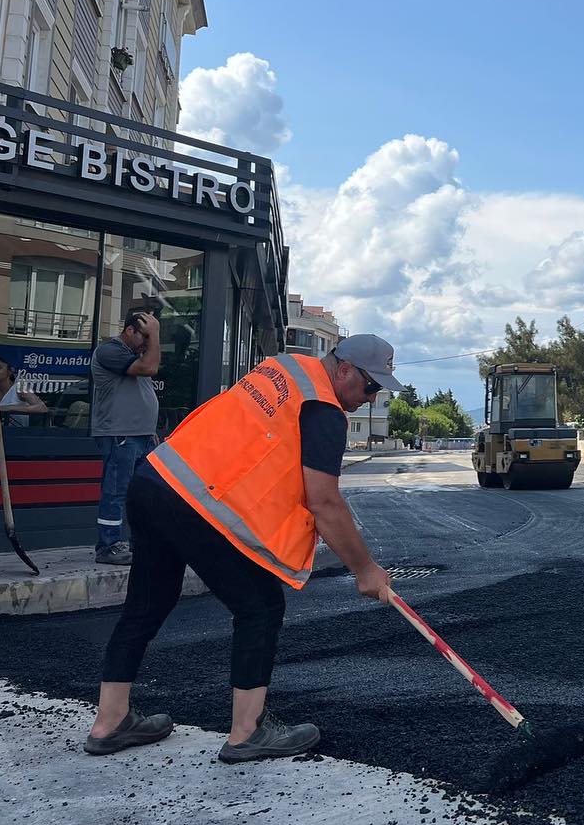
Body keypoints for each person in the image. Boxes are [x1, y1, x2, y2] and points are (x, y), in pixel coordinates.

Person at [84, 334, 402, 762]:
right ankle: (247, 732)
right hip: (196, 501)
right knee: (261, 608)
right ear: (344, 370)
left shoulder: (284, 370)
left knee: (148, 603)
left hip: (155, 480)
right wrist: (366, 569)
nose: (370, 398)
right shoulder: (323, 409)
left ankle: (110, 722)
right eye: (370, 387)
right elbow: (324, 502)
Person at [90, 309, 162, 565]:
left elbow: (138, 395)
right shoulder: (110, 351)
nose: (147, 343)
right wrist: (156, 333)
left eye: (149, 339)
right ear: (129, 330)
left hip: (141, 435)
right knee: (116, 491)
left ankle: (136, 542)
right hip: (120, 434)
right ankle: (107, 546)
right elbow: (150, 367)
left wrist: (149, 429)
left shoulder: (133, 355)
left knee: (142, 493)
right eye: (144, 337)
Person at [0, 357, 49, 427]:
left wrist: (9, 408)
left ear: (10, 371)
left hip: (18, 435)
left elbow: (42, 408)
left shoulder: (20, 388)